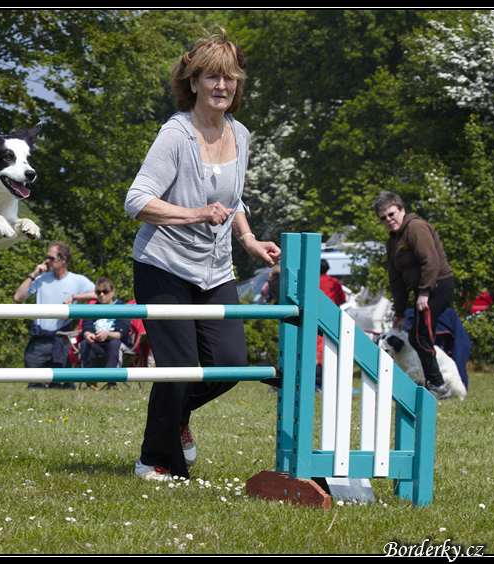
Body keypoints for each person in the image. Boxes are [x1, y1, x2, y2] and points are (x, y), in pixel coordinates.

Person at [124, 27, 280, 481]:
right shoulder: (175, 135)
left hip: (215, 269)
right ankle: (156, 460)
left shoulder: (241, 134)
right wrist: (195, 213)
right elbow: (137, 201)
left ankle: (177, 421)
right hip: (163, 265)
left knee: (231, 366)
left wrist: (247, 238)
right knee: (178, 369)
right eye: (212, 77)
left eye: (229, 78)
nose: (221, 86)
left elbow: (234, 201)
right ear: (192, 82)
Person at [374, 190, 455, 399]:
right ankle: (435, 383)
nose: (388, 220)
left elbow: (431, 261)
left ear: (402, 210)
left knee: (420, 337)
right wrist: (399, 313)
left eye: (391, 214)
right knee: (417, 337)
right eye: (383, 218)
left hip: (437, 285)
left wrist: (425, 292)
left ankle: (438, 385)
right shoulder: (393, 242)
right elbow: (397, 281)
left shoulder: (416, 228)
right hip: (423, 290)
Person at [13, 241, 95, 389]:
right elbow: (18, 297)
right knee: (34, 386)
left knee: (61, 386)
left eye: (51, 258)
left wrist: (75, 297)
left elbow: (98, 293)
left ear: (63, 259)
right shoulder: (41, 278)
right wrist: (32, 275)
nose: (47, 261)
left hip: (61, 340)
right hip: (39, 339)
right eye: (47, 257)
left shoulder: (77, 280)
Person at [78, 277, 133, 390]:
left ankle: (112, 383)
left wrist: (108, 334)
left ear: (113, 292)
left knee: (114, 344)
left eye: (105, 291)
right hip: (97, 345)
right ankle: (91, 384)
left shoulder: (121, 308)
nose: (102, 295)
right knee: (84, 344)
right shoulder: (92, 309)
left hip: (119, 346)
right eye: (98, 292)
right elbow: (86, 327)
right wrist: (88, 335)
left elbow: (123, 332)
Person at [316, 259, 347, 390]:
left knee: (317, 345)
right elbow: (342, 299)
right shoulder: (334, 282)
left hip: (316, 317)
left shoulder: (312, 281)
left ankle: (318, 377)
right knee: (331, 346)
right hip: (331, 318)